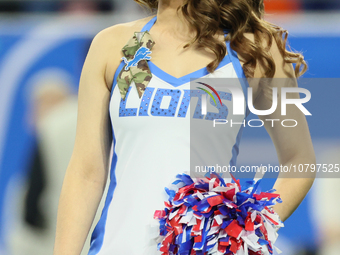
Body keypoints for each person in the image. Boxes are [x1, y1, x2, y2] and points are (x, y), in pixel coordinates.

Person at [53, 0, 316, 254]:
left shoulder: (253, 49)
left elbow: (299, 161)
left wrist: (245, 232)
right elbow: (86, 172)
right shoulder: (112, 45)